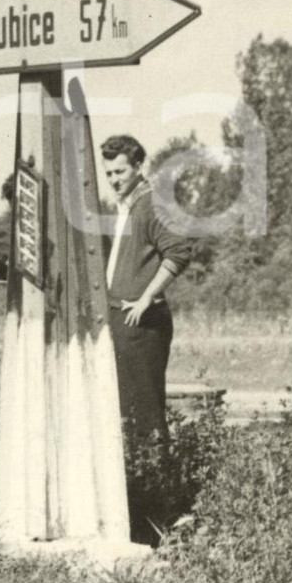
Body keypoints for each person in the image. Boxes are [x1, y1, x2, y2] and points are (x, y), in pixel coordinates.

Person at [101, 133, 193, 541]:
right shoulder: (124, 208)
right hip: (120, 321)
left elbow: (179, 252)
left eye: (120, 170)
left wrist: (145, 298)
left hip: (142, 324)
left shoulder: (151, 203)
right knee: (125, 415)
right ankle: (138, 512)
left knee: (146, 417)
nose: (113, 178)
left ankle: (161, 516)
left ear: (138, 166)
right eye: (108, 173)